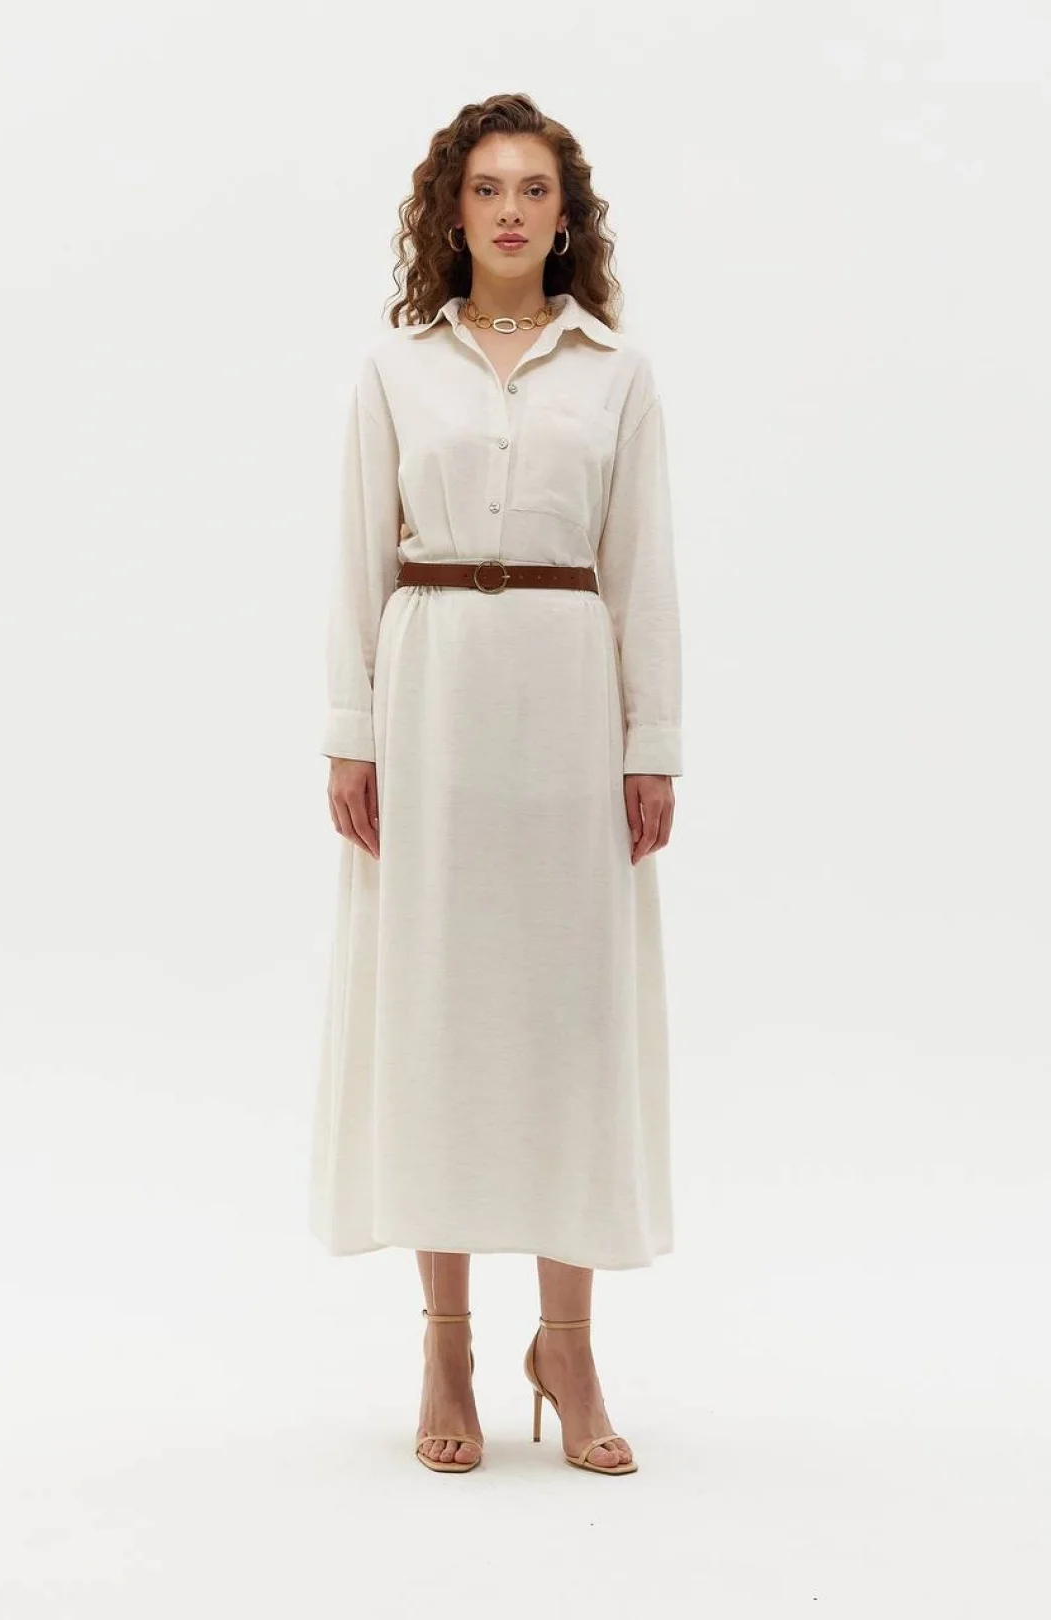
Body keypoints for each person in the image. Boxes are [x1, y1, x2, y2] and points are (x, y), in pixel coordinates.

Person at [309, 93, 683, 1477]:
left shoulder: (617, 374)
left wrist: (651, 746)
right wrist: (351, 732)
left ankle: (567, 1347)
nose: (511, 210)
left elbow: (644, 566)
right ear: (452, 214)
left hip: (568, 700)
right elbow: (356, 552)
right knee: (439, 1013)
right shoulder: (395, 368)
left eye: (534, 189)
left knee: (569, 1022)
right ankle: (449, 1343)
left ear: (565, 218)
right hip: (433, 699)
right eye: (486, 189)